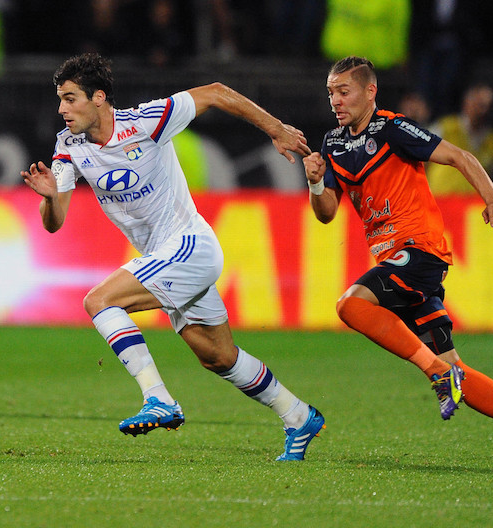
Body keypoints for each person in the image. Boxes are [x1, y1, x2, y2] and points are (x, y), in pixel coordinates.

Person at [21, 53, 323, 461]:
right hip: (166, 259)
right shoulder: (68, 146)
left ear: (99, 97)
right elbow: (54, 222)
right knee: (218, 357)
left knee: (100, 300)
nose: (62, 109)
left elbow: (215, 93)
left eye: (70, 98)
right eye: (60, 99)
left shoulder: (146, 121)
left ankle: (158, 398)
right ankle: (298, 414)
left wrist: (277, 129)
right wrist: (49, 198)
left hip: (189, 245)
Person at [302, 56, 493, 461]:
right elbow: (326, 214)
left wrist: (492, 199)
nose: (335, 100)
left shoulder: (392, 128)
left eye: (344, 91)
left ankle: (438, 374)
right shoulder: (332, 143)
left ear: (370, 92)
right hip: (394, 259)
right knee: (454, 366)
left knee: (350, 305)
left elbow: (461, 157)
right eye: (331, 92)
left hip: (419, 251)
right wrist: (316, 182)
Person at [427, 83, 493, 195]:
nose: (482, 110)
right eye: (479, 104)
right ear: (466, 102)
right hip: (440, 196)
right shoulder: (446, 127)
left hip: (471, 200)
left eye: (486, 106)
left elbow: (492, 173)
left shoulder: (492, 139)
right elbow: (421, 158)